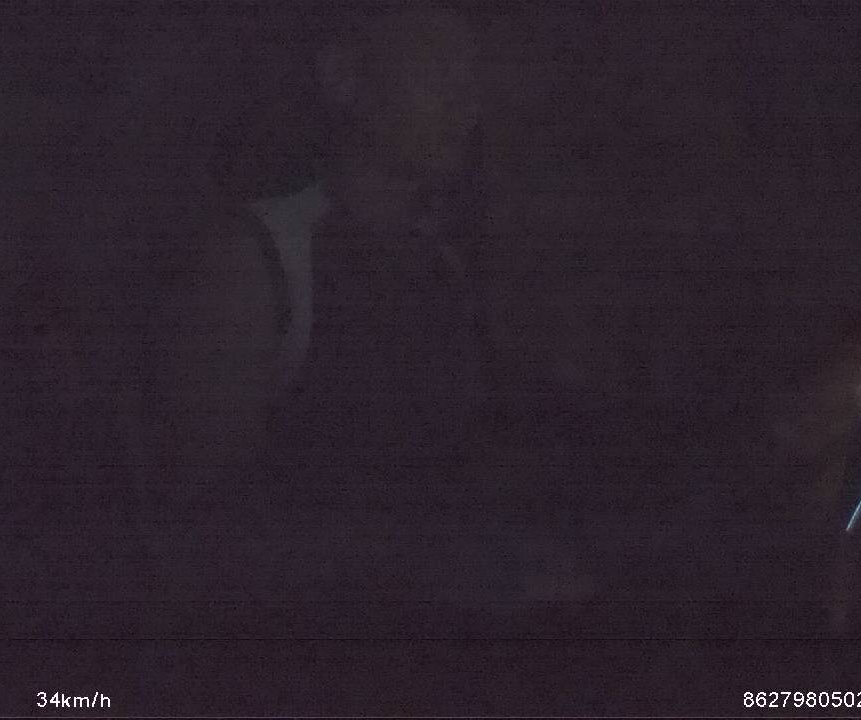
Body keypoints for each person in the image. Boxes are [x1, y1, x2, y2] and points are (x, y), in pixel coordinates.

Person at [134, 3, 595, 619]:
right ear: (344, 76)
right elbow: (200, 530)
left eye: (473, 78)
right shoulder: (259, 261)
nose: (467, 102)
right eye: (439, 70)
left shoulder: (443, 266)